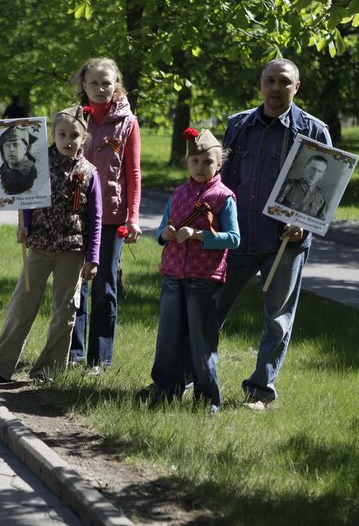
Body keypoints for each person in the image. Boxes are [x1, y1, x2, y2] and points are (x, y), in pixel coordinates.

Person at [218, 58, 332, 407]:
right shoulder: (238, 126)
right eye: (270, 80)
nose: (276, 88)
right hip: (237, 236)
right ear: (261, 84)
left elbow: (327, 187)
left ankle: (260, 391)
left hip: (285, 242)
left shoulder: (314, 131)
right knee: (210, 309)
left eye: (284, 81)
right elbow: (222, 181)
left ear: (296, 87)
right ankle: (193, 377)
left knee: (278, 320)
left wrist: (305, 222)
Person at [0, 105, 102, 384]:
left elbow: (95, 218)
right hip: (39, 246)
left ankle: (47, 370)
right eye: (62, 134)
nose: (67, 140)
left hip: (72, 251)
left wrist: (93, 258)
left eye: (74, 135)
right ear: (53, 135)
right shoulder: (38, 163)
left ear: (84, 138)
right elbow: (26, 200)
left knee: (65, 311)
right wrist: (24, 226)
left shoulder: (90, 173)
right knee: (22, 304)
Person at [147, 128, 239, 415]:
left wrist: (200, 235)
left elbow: (234, 238)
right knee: (168, 338)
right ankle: (165, 389)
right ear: (187, 163)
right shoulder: (178, 194)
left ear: (219, 164)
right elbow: (160, 231)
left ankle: (207, 399)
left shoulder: (224, 197)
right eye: (195, 161)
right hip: (173, 274)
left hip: (204, 278)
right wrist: (166, 234)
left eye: (208, 162)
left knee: (201, 342)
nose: (200, 167)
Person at [68, 57, 142, 375]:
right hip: (74, 214)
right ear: (83, 85)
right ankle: (74, 354)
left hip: (111, 218)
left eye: (106, 83)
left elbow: (133, 173)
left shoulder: (128, 123)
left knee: (104, 287)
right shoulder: (74, 119)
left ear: (116, 85)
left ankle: (100, 359)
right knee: (74, 286)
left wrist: (133, 217)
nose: (100, 89)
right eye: (94, 83)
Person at [276, 155, 329, 219]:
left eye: (319, 171)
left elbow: (321, 219)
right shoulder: (287, 185)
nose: (315, 174)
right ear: (305, 167)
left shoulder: (321, 195)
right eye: (312, 169)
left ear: (323, 174)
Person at [0, 125, 39, 195]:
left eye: (16, 145)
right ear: (2, 150)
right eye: (7, 146)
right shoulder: (2, 171)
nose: (11, 149)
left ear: (25, 148)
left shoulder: (32, 172)